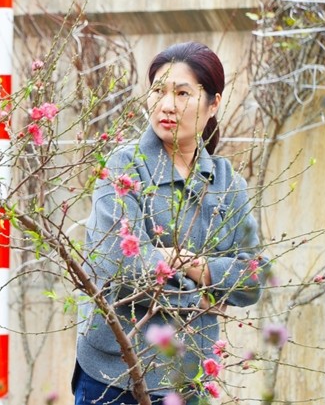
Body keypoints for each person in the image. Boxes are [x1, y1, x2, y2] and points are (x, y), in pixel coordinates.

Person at [73, 42, 268, 404]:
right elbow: (119, 266)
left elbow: (254, 278)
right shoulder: (123, 167)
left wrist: (191, 264)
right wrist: (206, 291)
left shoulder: (226, 183)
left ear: (213, 103)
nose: (166, 105)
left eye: (182, 93)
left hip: (186, 378)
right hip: (114, 374)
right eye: (158, 91)